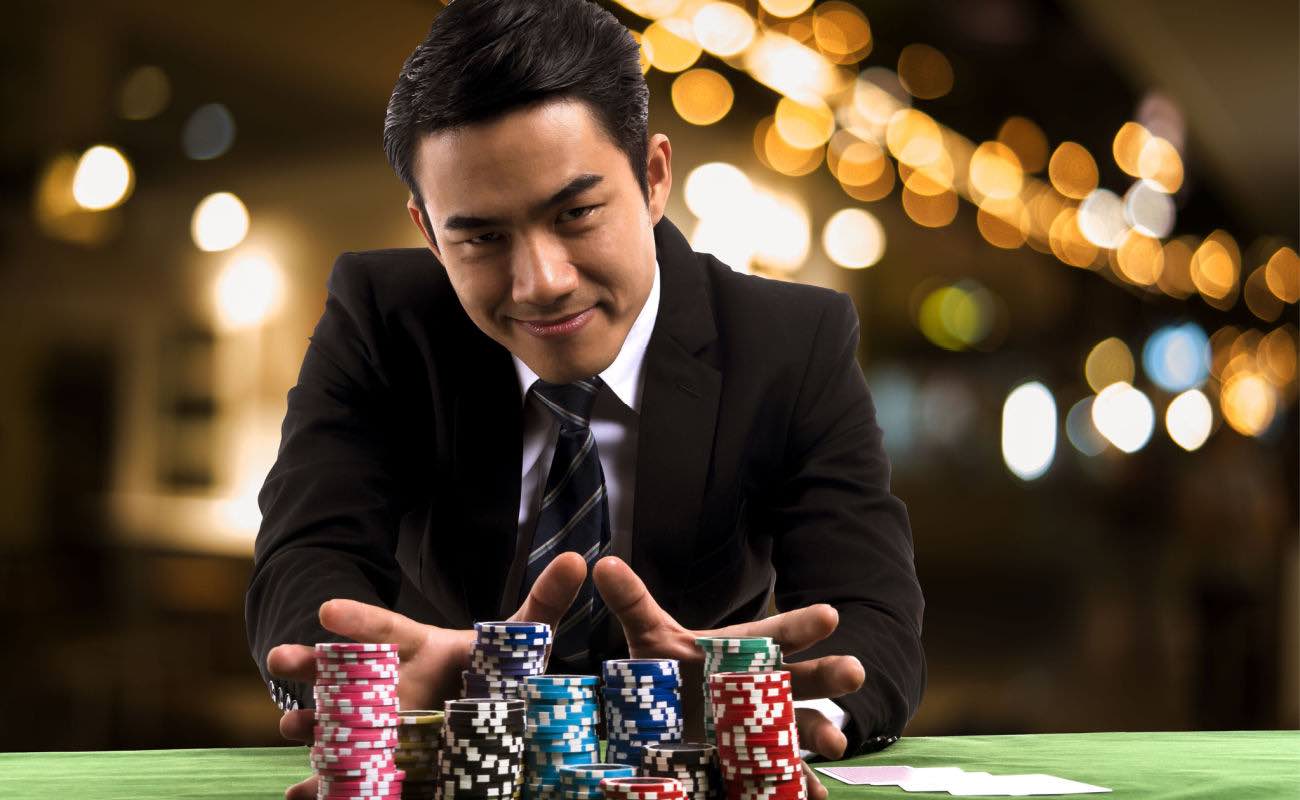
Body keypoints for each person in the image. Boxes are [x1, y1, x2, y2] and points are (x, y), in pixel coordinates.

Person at [244, 1, 925, 798]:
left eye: (577, 213)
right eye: (481, 239)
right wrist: (374, 685)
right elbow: (303, 562)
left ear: (654, 177)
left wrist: (774, 707)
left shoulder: (791, 342)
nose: (542, 282)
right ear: (428, 234)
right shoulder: (381, 321)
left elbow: (873, 621)